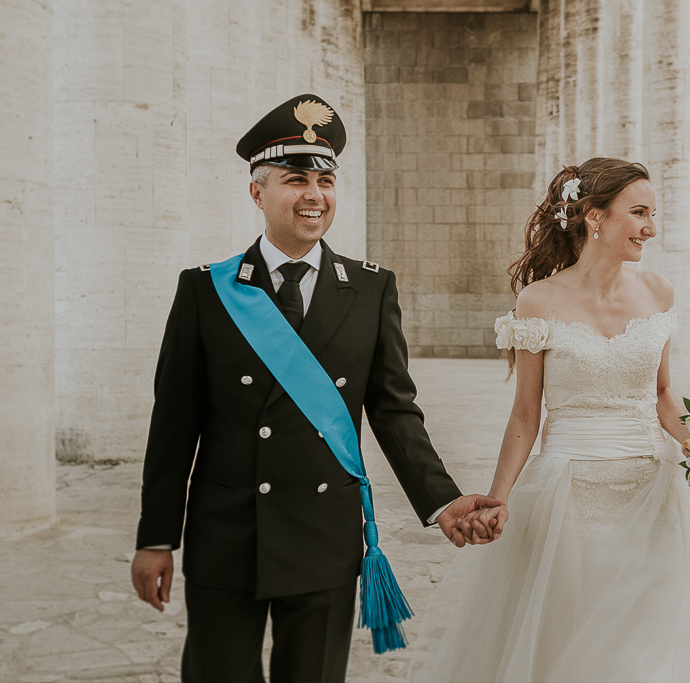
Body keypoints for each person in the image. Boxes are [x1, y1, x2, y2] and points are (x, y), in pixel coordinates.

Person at [129, 94, 506, 683]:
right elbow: (174, 423)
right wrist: (156, 536)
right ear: (257, 192)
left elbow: (394, 410)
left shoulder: (371, 289)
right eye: (295, 178)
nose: (314, 194)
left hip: (323, 533)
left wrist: (441, 500)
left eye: (325, 180)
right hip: (227, 529)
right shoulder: (206, 290)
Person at [409, 158, 690, 682]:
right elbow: (525, 415)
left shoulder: (658, 291)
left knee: (642, 642)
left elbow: (661, 394)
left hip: (653, 494)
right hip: (571, 496)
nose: (650, 228)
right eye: (638, 213)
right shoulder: (538, 301)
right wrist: (498, 499)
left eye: (654, 214)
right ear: (594, 216)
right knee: (572, 638)